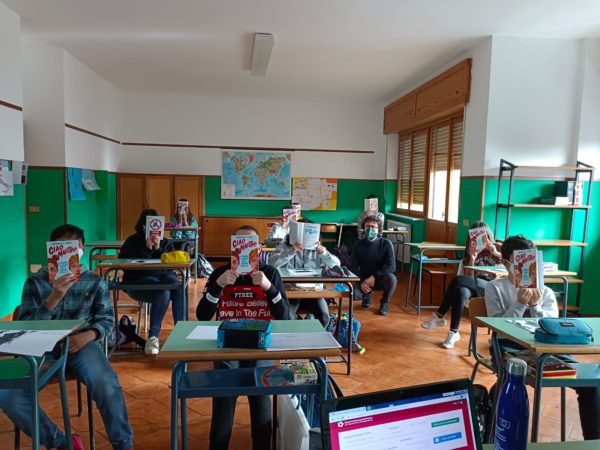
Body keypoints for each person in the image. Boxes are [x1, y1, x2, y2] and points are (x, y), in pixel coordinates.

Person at [0, 224, 133, 450]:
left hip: (83, 345)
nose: (68, 252)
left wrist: (90, 335)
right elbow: (26, 327)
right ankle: (62, 443)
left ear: (81, 250)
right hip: (42, 349)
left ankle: (123, 444)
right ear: (51, 251)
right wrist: (53, 298)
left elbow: (107, 319)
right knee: (8, 394)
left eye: (74, 247)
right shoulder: (35, 282)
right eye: (61, 247)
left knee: (106, 384)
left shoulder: (94, 281)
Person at [485, 235, 600, 440]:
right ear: (506, 263)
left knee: (591, 384)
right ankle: (494, 435)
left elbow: (553, 326)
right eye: (519, 262)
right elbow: (498, 329)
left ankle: (594, 441)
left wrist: (535, 306)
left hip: (546, 348)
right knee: (510, 381)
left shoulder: (545, 291)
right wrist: (519, 304)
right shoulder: (495, 287)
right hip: (508, 345)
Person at [196, 225, 290, 450]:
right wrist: (217, 287)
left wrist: (269, 288)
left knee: (260, 396)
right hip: (228, 343)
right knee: (224, 396)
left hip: (261, 345)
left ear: (258, 248)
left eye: (251, 244)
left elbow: (285, 316)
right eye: (240, 243)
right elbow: (202, 315)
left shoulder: (270, 273)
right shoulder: (220, 273)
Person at [421, 221, 502, 349]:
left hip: (492, 286)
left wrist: (496, 253)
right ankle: (454, 332)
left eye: (482, 236)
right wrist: (472, 258)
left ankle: (439, 315)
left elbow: (510, 264)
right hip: (474, 284)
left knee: (458, 280)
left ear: (487, 235)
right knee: (461, 292)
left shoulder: (498, 247)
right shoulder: (470, 251)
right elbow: (468, 277)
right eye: (474, 237)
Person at [119, 208, 184, 355]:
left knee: (178, 286)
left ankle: (181, 331)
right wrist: (148, 249)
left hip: (163, 278)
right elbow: (125, 266)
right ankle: (153, 337)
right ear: (143, 226)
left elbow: (171, 266)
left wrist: (158, 248)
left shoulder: (166, 242)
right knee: (163, 291)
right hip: (138, 282)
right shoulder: (132, 241)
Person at [269, 220, 340, 327]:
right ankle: (301, 327)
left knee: (324, 317)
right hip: (290, 293)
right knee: (287, 317)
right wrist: (291, 251)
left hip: (313, 293)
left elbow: (336, 264)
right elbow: (271, 264)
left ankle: (309, 329)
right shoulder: (284, 246)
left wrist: (323, 253)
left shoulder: (318, 249)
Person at [349, 214, 397, 316]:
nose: (370, 229)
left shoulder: (386, 244)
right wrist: (362, 282)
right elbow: (353, 267)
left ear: (379, 230)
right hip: (364, 280)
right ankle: (367, 297)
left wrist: (374, 277)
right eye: (367, 226)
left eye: (373, 227)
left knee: (392, 279)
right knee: (354, 295)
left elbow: (391, 266)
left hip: (380, 278)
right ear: (363, 228)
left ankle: (384, 303)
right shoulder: (358, 244)